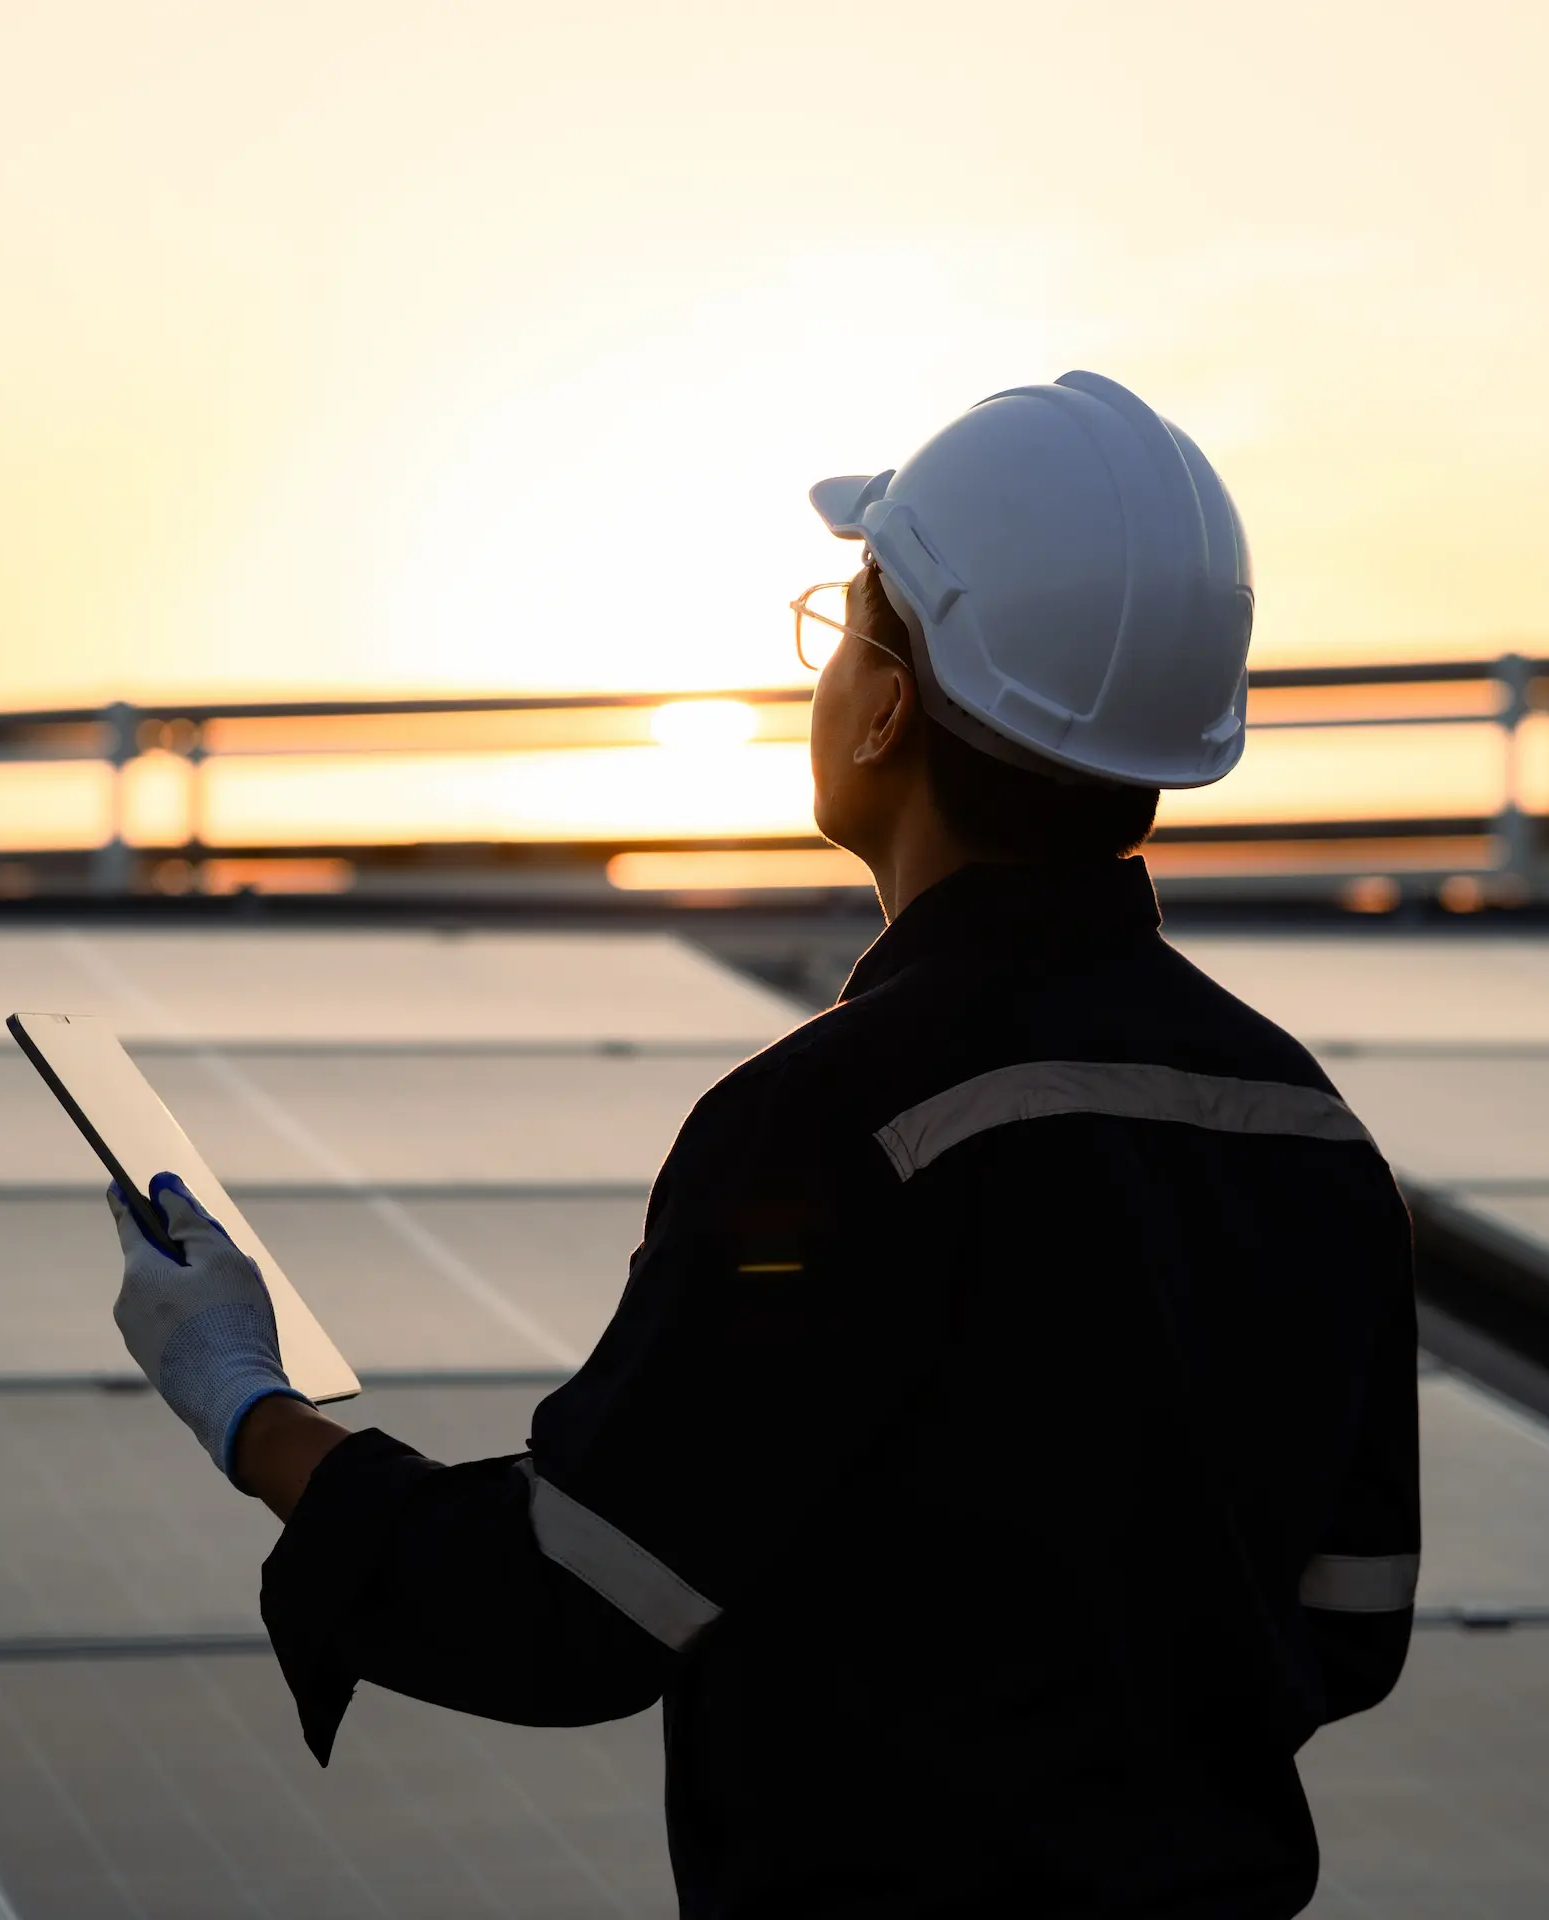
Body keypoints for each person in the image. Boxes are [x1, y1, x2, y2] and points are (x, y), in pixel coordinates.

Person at [110, 372, 1418, 1918]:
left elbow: (569, 1603)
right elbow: (1347, 1622)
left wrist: (245, 1405)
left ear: (887, 699)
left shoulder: (836, 1123)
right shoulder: (1307, 1129)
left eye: (849, 620)